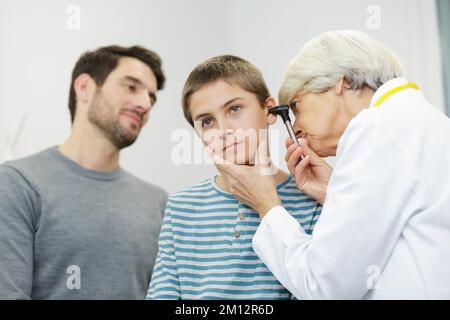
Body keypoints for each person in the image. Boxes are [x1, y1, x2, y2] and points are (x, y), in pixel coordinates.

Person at [209, 31, 450, 299]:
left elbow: (324, 287)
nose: (296, 128)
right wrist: (332, 192)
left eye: (297, 106)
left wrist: (267, 205)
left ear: (341, 84)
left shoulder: (376, 127)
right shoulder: (422, 121)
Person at [147, 55, 322, 300]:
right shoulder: (180, 208)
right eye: (207, 121)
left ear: (269, 110)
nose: (223, 130)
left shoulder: (310, 201)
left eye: (235, 109)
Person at [0, 45, 168, 299]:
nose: (145, 104)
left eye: (151, 98)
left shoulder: (159, 202)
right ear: (85, 88)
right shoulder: (16, 183)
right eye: (131, 87)